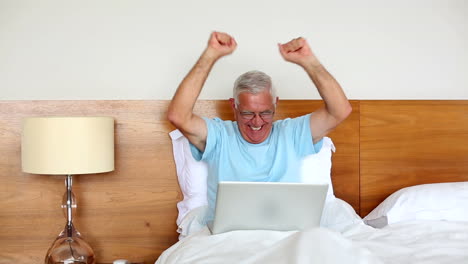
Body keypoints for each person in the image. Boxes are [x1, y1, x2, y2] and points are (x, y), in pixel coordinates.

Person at [168, 31, 351, 221]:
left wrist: (308, 61)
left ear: (275, 105)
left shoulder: (292, 133)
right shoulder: (219, 135)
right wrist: (210, 55)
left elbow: (340, 111)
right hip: (230, 236)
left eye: (265, 113)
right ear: (234, 106)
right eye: (247, 113)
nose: (256, 122)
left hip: (287, 234)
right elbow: (178, 115)